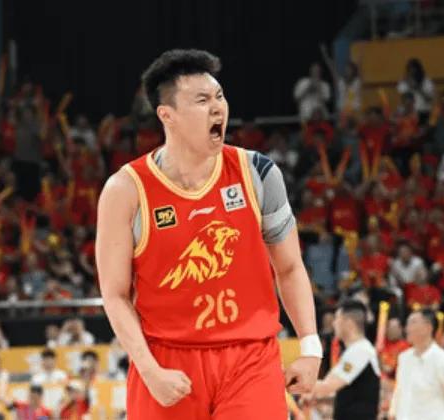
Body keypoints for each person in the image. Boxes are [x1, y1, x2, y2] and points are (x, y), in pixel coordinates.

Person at [96, 49, 321, 419]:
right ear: (167, 115)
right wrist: (149, 370)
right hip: (168, 360)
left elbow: (290, 267)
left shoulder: (258, 173)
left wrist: (310, 348)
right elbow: (115, 294)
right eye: (202, 101)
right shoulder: (125, 190)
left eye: (219, 96)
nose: (217, 108)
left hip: (250, 357)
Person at [390, 309, 444, 420]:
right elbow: (399, 393)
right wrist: (392, 413)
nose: (407, 328)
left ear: (428, 328)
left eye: (413, 322)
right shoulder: (404, 358)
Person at [303, 299, 380, 420]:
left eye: (337, 318)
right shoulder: (355, 351)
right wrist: (320, 400)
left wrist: (293, 381)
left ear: (349, 323)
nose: (333, 323)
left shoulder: (360, 351)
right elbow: (350, 395)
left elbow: (327, 386)